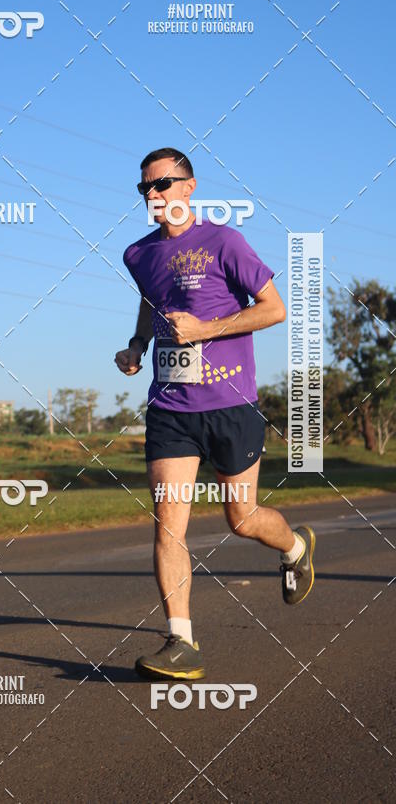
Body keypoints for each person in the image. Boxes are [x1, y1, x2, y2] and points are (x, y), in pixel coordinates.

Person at [115, 147, 316, 680]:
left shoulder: (224, 240)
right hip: (171, 409)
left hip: (230, 404)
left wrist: (206, 330)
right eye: (145, 189)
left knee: (242, 518)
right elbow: (149, 297)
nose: (152, 195)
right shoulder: (138, 253)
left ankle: (295, 547)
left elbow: (274, 309)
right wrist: (137, 344)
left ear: (189, 187)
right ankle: (181, 641)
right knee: (168, 527)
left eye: (161, 185)